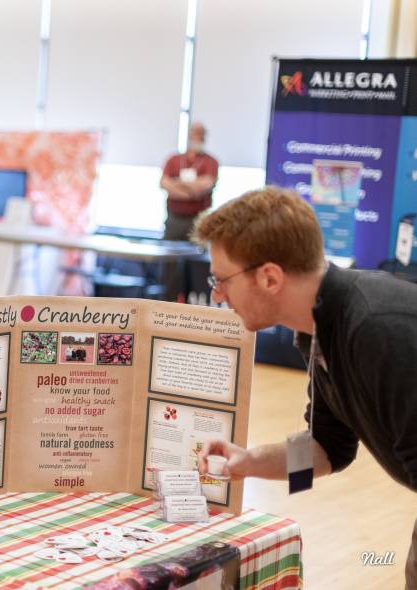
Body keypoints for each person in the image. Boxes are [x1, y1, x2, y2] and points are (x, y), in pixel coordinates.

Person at [191, 186, 417, 588]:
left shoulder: (375, 327)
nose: (216, 294)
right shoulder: (321, 327)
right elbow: (329, 450)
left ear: (270, 277)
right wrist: (249, 462)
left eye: (222, 279)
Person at [158, 122, 219, 302]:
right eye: (195, 133)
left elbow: (205, 186)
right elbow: (164, 184)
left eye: (201, 134)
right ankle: (167, 303)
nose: (198, 138)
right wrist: (192, 190)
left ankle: (193, 306)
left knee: (197, 264)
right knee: (169, 265)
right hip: (174, 220)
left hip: (198, 220)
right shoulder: (174, 159)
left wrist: (178, 184)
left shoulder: (210, 162)